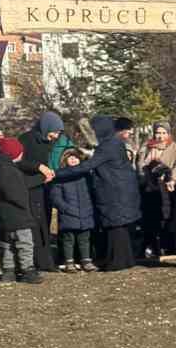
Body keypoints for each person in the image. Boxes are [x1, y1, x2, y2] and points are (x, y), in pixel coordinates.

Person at [50, 115, 142, 272]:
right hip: (122, 190)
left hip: (114, 192)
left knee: (116, 227)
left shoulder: (107, 146)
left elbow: (86, 166)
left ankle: (117, 261)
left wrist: (57, 173)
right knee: (120, 227)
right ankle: (124, 259)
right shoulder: (114, 143)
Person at [0, 135, 51, 283]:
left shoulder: (1, 168)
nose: (23, 154)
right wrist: (24, 203)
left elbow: (22, 183)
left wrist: (42, 179)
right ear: (13, 154)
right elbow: (16, 190)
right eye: (20, 152)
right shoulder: (9, 170)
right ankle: (27, 270)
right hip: (18, 215)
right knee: (25, 244)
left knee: (8, 244)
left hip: (5, 216)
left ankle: (8, 271)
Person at [17, 110, 71, 271]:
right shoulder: (26, 139)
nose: (56, 136)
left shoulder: (51, 143)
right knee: (34, 223)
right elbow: (19, 161)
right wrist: (38, 167)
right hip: (31, 187)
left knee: (45, 223)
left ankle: (45, 260)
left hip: (46, 186)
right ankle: (32, 260)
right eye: (55, 132)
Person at [136, 122, 176, 263]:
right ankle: (150, 246)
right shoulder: (146, 146)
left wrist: (172, 179)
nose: (160, 136)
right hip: (149, 186)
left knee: (167, 216)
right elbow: (139, 165)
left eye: (163, 133)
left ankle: (168, 245)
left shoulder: (175, 148)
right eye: (158, 133)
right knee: (150, 217)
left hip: (168, 186)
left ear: (168, 134)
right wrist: (148, 160)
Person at [50, 147, 97, 271]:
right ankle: (69, 262)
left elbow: (93, 192)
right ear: (65, 160)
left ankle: (86, 260)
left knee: (84, 239)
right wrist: (65, 208)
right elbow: (55, 197)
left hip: (86, 213)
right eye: (70, 158)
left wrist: (90, 208)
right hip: (68, 214)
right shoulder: (60, 176)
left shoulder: (86, 176)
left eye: (75, 158)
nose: (73, 160)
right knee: (68, 240)